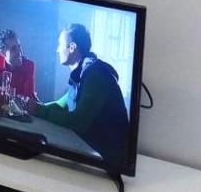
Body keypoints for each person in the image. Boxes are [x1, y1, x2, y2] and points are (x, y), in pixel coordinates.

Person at [29, 23, 129, 165]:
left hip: (110, 161)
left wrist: (39, 110)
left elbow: (78, 122)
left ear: (72, 47)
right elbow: (61, 104)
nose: (57, 50)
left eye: (60, 44)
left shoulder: (95, 75)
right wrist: (34, 106)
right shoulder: (82, 73)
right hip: (93, 152)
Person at [0, 29, 37, 104]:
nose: (19, 52)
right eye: (13, 49)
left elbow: (28, 95)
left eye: (19, 46)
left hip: (17, 109)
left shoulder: (29, 66)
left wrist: (11, 97)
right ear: (2, 53)